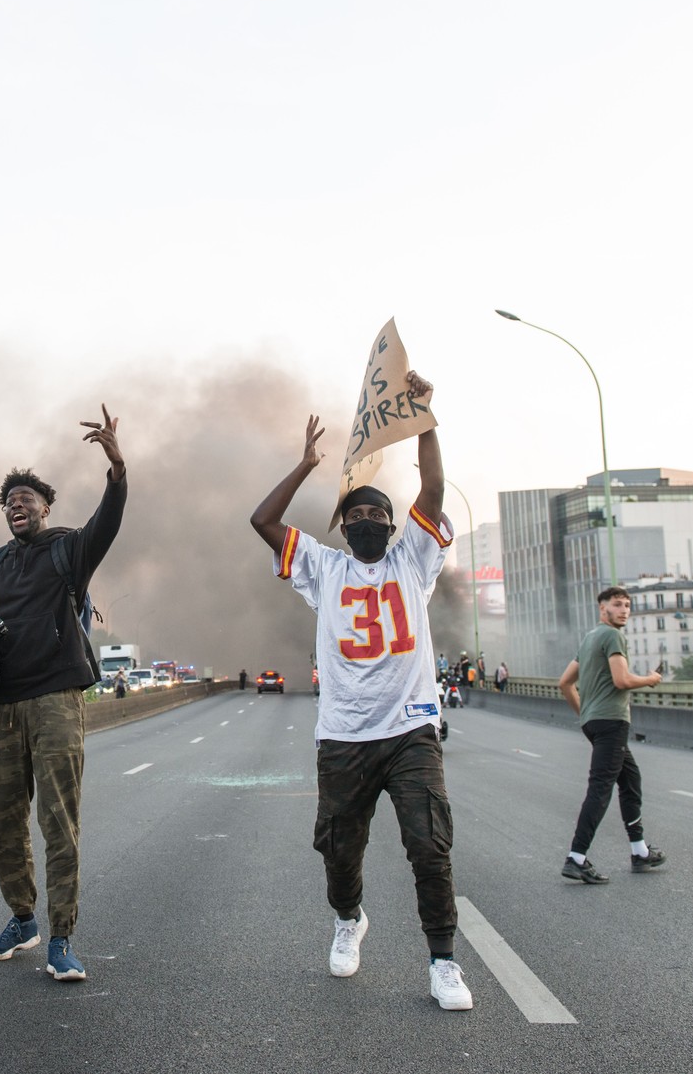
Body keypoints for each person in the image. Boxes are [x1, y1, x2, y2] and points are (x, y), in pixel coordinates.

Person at [249, 385, 474, 1013]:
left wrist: (425, 419)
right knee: (339, 849)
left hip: (409, 730)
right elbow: (263, 522)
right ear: (342, 529)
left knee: (429, 843)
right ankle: (349, 917)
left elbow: (432, 488)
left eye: (376, 514)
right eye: (354, 517)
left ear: (394, 524)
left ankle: (443, 960)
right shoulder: (323, 568)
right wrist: (306, 467)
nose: (366, 521)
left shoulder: (414, 560)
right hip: (344, 734)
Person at [0, 405, 126, 983]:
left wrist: (116, 468)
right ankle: (21, 919)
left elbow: (108, 522)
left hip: (56, 699)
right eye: (9, 500)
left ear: (45, 508)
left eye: (27, 498)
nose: (17, 504)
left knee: (58, 820)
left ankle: (61, 938)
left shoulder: (67, 550)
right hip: (2, 705)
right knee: (4, 821)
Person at [558, 586, 667, 884]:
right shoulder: (612, 635)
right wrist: (651, 679)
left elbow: (565, 683)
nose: (624, 610)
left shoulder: (591, 637)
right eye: (617, 605)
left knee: (630, 781)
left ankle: (640, 851)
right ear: (602, 608)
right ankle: (576, 858)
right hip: (611, 721)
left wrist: (584, 714)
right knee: (601, 789)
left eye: (627, 606)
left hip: (594, 721)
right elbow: (621, 680)